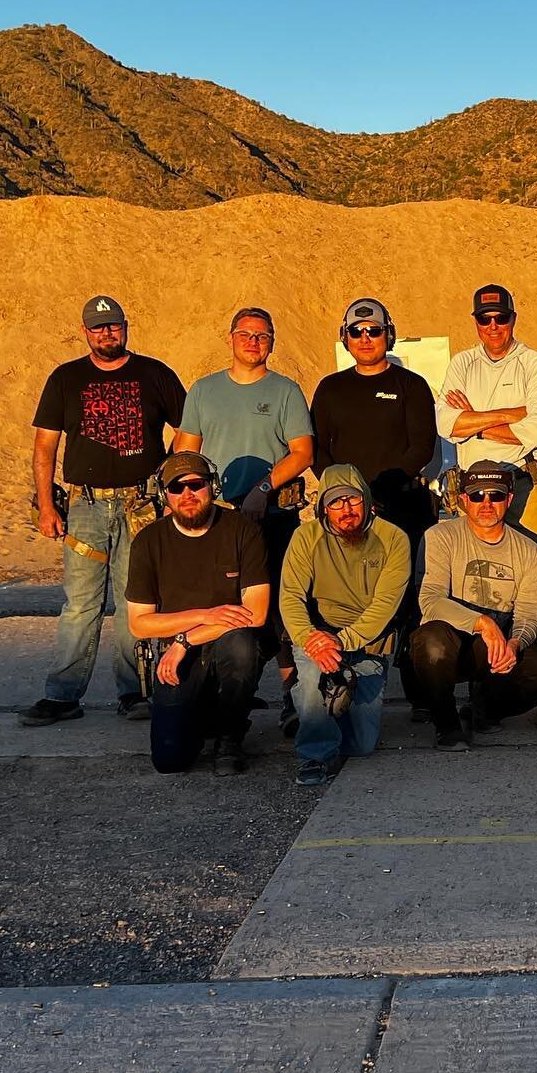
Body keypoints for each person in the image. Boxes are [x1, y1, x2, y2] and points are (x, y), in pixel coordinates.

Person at [23, 295, 186, 727]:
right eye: (98, 328)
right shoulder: (65, 378)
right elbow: (45, 446)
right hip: (85, 507)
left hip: (141, 505)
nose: (106, 334)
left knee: (135, 602)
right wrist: (45, 504)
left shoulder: (154, 374)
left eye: (113, 326)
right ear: (85, 332)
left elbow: (191, 429)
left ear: (125, 327)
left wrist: (170, 481)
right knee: (80, 604)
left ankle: (134, 693)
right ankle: (62, 696)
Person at [174, 306, 314, 729]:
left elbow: (302, 452)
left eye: (263, 336)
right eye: (246, 334)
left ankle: (293, 698)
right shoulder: (203, 391)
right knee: (222, 607)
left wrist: (262, 488)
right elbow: (185, 452)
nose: (254, 342)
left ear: (272, 342)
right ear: (231, 337)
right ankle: (229, 695)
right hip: (216, 519)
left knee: (282, 609)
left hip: (270, 515)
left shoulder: (286, 391)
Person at [310, 297, 438, 724]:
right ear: (344, 338)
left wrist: (376, 494)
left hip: (400, 506)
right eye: (357, 332)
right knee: (341, 596)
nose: (366, 339)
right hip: (342, 514)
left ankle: (422, 689)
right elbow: (319, 450)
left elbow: (421, 446)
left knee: (410, 600)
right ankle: (342, 681)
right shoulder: (330, 388)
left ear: (389, 334)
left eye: (375, 331)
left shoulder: (412, 385)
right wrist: (344, 498)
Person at [125, 452, 268, 775]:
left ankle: (230, 735)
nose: (187, 495)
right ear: (165, 495)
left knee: (243, 646)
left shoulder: (242, 531)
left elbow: (256, 613)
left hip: (217, 643)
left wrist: (185, 640)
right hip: (176, 655)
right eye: (177, 488)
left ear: (212, 487)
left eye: (196, 485)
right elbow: (139, 623)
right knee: (170, 760)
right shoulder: (149, 541)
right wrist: (208, 614)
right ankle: (203, 719)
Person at [410, 461, 537, 750]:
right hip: (453, 639)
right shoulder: (440, 536)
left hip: (495, 645)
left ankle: (484, 709)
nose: (486, 503)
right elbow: (430, 600)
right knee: (430, 642)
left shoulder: (530, 549)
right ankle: (446, 725)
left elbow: (530, 612)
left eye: (495, 496)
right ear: (463, 500)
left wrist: (516, 644)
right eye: (477, 495)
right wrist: (482, 623)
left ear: (508, 499)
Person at [437, 284, 537, 640]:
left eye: (500, 318)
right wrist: (510, 415)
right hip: (475, 490)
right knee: (476, 576)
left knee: (535, 571)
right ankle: (482, 662)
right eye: (484, 318)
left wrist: (472, 422)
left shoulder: (536, 365)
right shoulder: (461, 364)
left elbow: (535, 431)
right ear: (475, 322)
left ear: (513, 319)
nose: (493, 325)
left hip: (524, 483)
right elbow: (447, 425)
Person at [279, 464, 412, 786]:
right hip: (318, 638)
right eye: (335, 502)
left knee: (360, 746)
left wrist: (343, 642)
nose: (345, 510)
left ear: (366, 501)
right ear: (324, 507)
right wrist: (311, 638)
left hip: (366, 642)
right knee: (311, 675)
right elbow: (291, 596)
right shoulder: (305, 536)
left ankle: (318, 711)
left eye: (352, 500)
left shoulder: (394, 538)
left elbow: (384, 605)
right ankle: (314, 753)